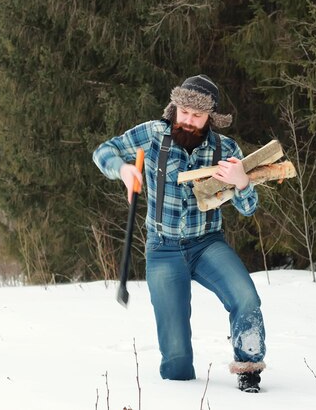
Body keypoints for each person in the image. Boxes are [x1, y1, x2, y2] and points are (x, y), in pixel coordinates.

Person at [92, 74, 266, 393]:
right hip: (163, 249)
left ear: (209, 118)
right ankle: (179, 393)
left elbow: (248, 208)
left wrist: (242, 182)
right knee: (176, 360)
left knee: (246, 298)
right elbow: (104, 151)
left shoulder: (225, 149)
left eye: (197, 116)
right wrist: (123, 169)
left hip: (208, 244)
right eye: (183, 112)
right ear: (175, 107)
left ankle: (249, 370)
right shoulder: (152, 134)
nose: (188, 121)